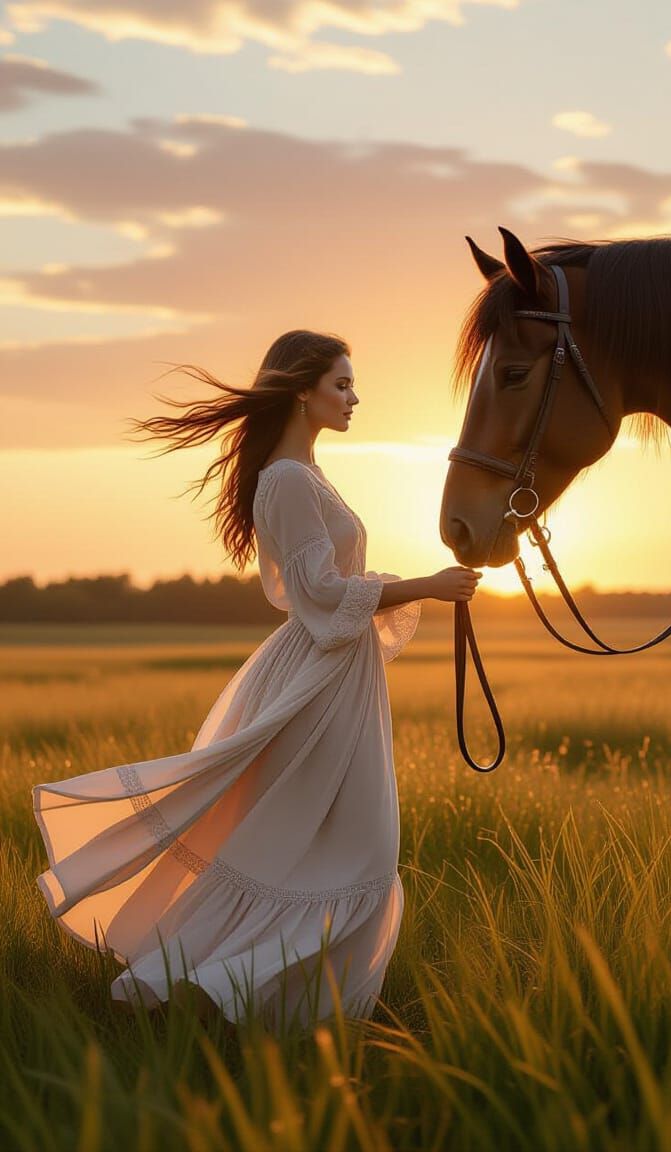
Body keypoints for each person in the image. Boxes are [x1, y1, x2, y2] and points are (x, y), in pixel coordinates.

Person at [32, 329, 482, 1028]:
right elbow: (319, 588)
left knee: (340, 842)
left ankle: (280, 1009)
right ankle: (243, 998)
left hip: (338, 673)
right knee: (347, 844)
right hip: (320, 677)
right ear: (302, 390)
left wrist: (419, 586)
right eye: (341, 384)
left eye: (351, 384)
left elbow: (329, 585)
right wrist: (427, 583)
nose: (354, 397)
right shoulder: (289, 479)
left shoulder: (304, 474)